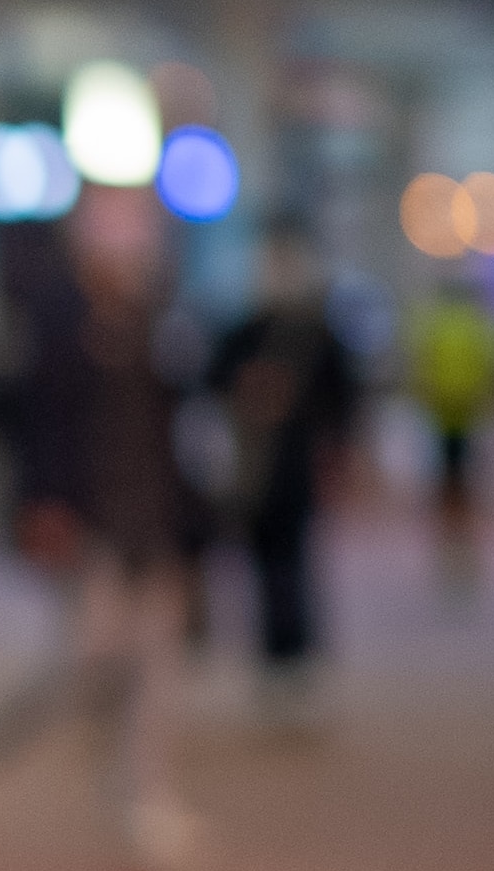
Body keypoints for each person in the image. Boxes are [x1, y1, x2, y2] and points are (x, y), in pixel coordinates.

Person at [0, 189, 206, 869]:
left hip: (153, 519)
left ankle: (144, 799)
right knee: (85, 659)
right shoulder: (55, 318)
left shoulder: (152, 320)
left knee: (156, 665)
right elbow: (38, 422)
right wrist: (43, 504)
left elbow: (169, 425)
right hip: (91, 520)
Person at [207, 217, 357, 724]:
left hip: (296, 470)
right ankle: (274, 659)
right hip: (253, 469)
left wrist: (338, 457)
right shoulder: (244, 331)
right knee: (263, 564)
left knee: (295, 565)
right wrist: (249, 389)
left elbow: (343, 405)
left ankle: (295, 661)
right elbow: (211, 381)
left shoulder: (317, 335)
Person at [405, 277, 494, 591]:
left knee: (445, 485)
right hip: (471, 416)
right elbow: (492, 367)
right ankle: (464, 546)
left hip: (440, 417)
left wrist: (424, 399)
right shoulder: (478, 324)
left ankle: (448, 545)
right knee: (467, 486)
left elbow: (419, 366)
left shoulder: (433, 322)